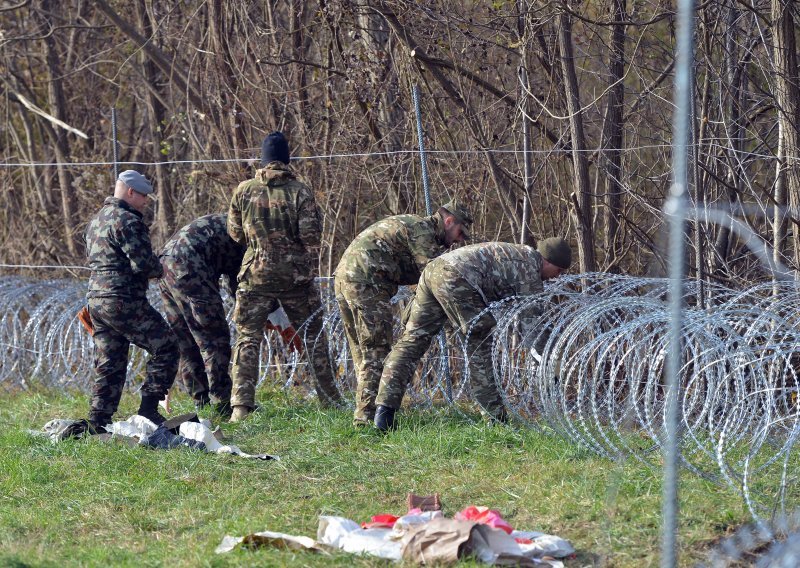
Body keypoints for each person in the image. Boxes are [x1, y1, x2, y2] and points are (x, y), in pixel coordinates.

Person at [373, 238, 572, 431]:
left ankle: (383, 413)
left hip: (434, 270)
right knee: (480, 346)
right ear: (547, 260)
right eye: (559, 270)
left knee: (412, 342)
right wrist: (549, 364)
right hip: (457, 277)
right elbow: (533, 327)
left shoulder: (518, 254)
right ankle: (495, 419)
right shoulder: (529, 270)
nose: (558, 276)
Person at [227, 131, 343, 422]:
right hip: (295, 277)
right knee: (313, 335)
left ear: (262, 159)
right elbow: (312, 236)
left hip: (255, 274)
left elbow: (235, 233)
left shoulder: (244, 190)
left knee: (248, 338)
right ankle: (330, 399)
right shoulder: (300, 191)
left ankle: (240, 406)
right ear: (287, 159)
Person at [334, 202, 473, 426]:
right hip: (366, 283)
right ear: (448, 221)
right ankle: (366, 419)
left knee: (363, 353)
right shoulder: (422, 231)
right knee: (376, 352)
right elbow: (435, 277)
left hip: (345, 278)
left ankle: (366, 412)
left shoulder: (414, 225)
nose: (459, 240)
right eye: (459, 232)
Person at [68, 170, 179, 437]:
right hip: (123, 300)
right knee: (166, 347)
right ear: (131, 192)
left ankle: (98, 419)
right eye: (143, 196)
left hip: (97, 302)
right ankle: (149, 409)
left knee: (110, 360)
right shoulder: (128, 220)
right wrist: (159, 267)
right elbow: (143, 264)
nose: (145, 202)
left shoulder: (96, 221)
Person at [159, 213, 244, 419]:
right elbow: (237, 282)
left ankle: (201, 401)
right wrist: (246, 313)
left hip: (165, 265)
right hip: (190, 267)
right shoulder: (244, 235)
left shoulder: (228, 222)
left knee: (186, 340)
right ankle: (222, 403)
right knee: (214, 338)